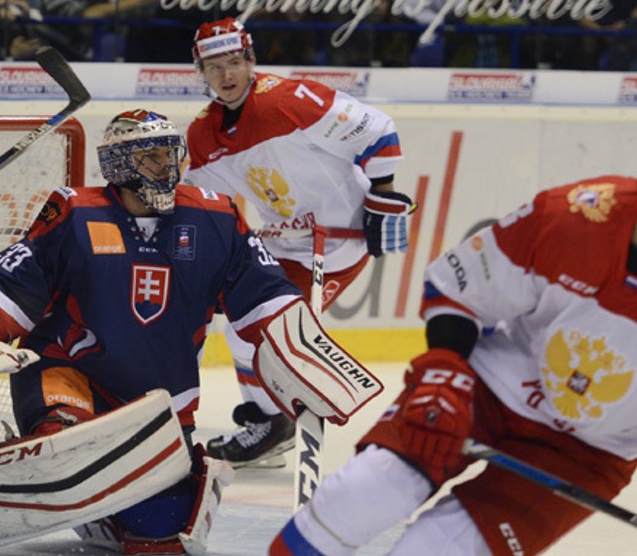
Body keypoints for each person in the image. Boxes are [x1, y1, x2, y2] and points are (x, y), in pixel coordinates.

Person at [0, 110, 379, 556]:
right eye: (152, 157)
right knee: (65, 451)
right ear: (119, 165)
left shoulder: (216, 218)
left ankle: (102, 509)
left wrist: (299, 349)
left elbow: (266, 293)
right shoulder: (75, 212)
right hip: (70, 376)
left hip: (160, 410)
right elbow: (9, 281)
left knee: (164, 536)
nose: (168, 167)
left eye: (171, 155)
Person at [272, 174, 637, 555]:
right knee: (360, 496)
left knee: (438, 550)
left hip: (590, 452)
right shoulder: (573, 217)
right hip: (486, 386)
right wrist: (443, 372)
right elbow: (459, 289)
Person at [184, 17, 415, 469]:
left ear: (251, 60)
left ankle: (275, 421)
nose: (226, 75)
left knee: (271, 333)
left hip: (336, 242)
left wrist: (382, 194)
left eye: (234, 62)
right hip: (283, 241)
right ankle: (271, 424)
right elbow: (202, 201)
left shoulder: (288, 100)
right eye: (214, 67)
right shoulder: (204, 133)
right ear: (202, 73)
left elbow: (378, 129)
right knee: (240, 330)